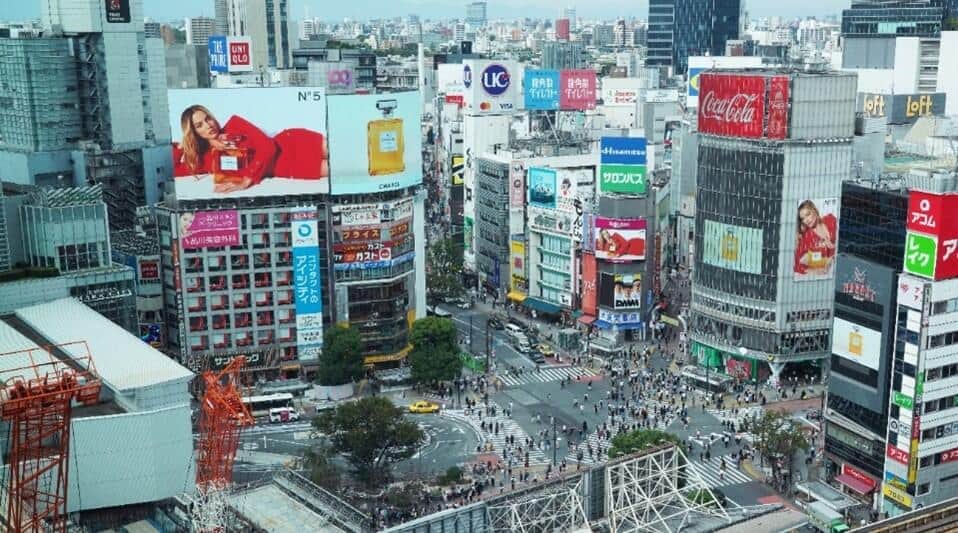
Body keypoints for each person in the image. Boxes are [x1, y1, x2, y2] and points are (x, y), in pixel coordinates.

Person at [173, 104, 329, 193]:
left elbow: (268, 147)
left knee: (346, 150)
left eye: (208, 119)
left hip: (292, 142)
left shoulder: (235, 123)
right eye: (199, 125)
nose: (208, 125)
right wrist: (182, 144)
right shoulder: (206, 160)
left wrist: (247, 179)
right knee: (345, 166)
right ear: (194, 132)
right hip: (289, 167)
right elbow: (172, 168)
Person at [794, 199, 837, 276]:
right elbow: (796, 263)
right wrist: (812, 271)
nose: (806, 220)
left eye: (808, 214)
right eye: (802, 218)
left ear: (814, 210)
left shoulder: (830, 219)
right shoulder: (806, 237)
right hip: (826, 267)